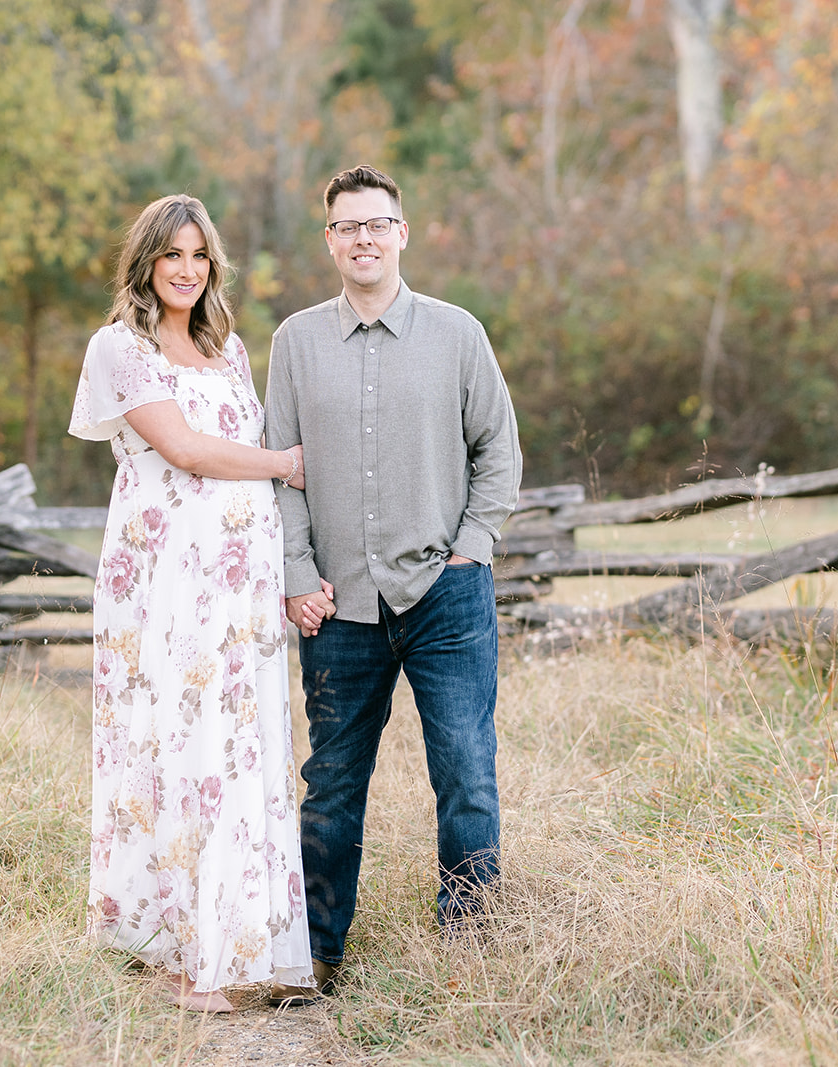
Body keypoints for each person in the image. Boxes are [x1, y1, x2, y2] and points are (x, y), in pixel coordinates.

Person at [264, 165, 522, 1004]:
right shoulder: (295, 342)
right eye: (347, 227)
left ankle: (472, 945)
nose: (364, 238)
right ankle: (317, 953)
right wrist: (298, 574)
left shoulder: (457, 334)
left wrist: (472, 547)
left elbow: (499, 451)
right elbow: (283, 475)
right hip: (339, 605)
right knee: (333, 782)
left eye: (378, 223)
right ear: (330, 240)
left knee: (466, 770)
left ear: (403, 232)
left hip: (445, 595)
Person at [68, 194, 317, 1013]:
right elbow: (180, 449)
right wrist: (283, 463)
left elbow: (234, 451)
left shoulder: (229, 347)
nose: (185, 269)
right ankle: (180, 953)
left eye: (199, 255)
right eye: (170, 254)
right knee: (176, 743)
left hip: (237, 585)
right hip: (168, 579)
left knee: (239, 749)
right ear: (144, 262)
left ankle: (240, 939)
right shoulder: (121, 348)